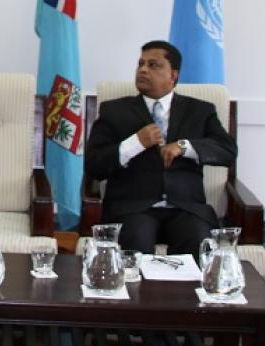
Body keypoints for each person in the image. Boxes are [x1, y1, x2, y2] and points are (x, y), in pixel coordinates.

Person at [84, 40, 236, 258]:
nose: (143, 69)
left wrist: (185, 146)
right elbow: (94, 165)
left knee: (198, 243)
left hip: (186, 208)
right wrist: (135, 143)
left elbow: (227, 151)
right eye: (140, 64)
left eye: (153, 65)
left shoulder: (200, 110)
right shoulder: (114, 110)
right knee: (136, 244)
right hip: (133, 208)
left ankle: (187, 293)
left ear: (173, 75)